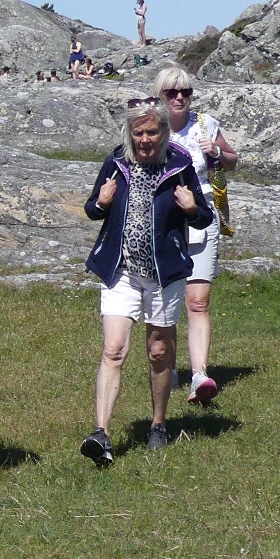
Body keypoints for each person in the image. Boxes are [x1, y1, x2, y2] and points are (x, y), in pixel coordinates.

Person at [78, 98, 213, 464]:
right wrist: (102, 203)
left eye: (152, 132)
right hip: (120, 270)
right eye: (138, 133)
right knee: (114, 350)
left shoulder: (179, 164)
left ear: (164, 133)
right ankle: (101, 433)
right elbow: (92, 208)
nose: (145, 139)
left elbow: (203, 216)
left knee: (158, 352)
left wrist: (190, 209)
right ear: (129, 134)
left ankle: (157, 424)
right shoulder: (116, 162)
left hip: (164, 273)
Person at [156, 65, 238, 402]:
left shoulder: (206, 125)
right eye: (172, 92)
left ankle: (199, 374)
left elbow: (232, 160)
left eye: (185, 92)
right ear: (160, 95)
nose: (179, 98)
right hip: (164, 219)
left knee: (198, 300)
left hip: (202, 214)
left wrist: (216, 153)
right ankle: (168, 369)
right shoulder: (151, 128)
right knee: (167, 299)